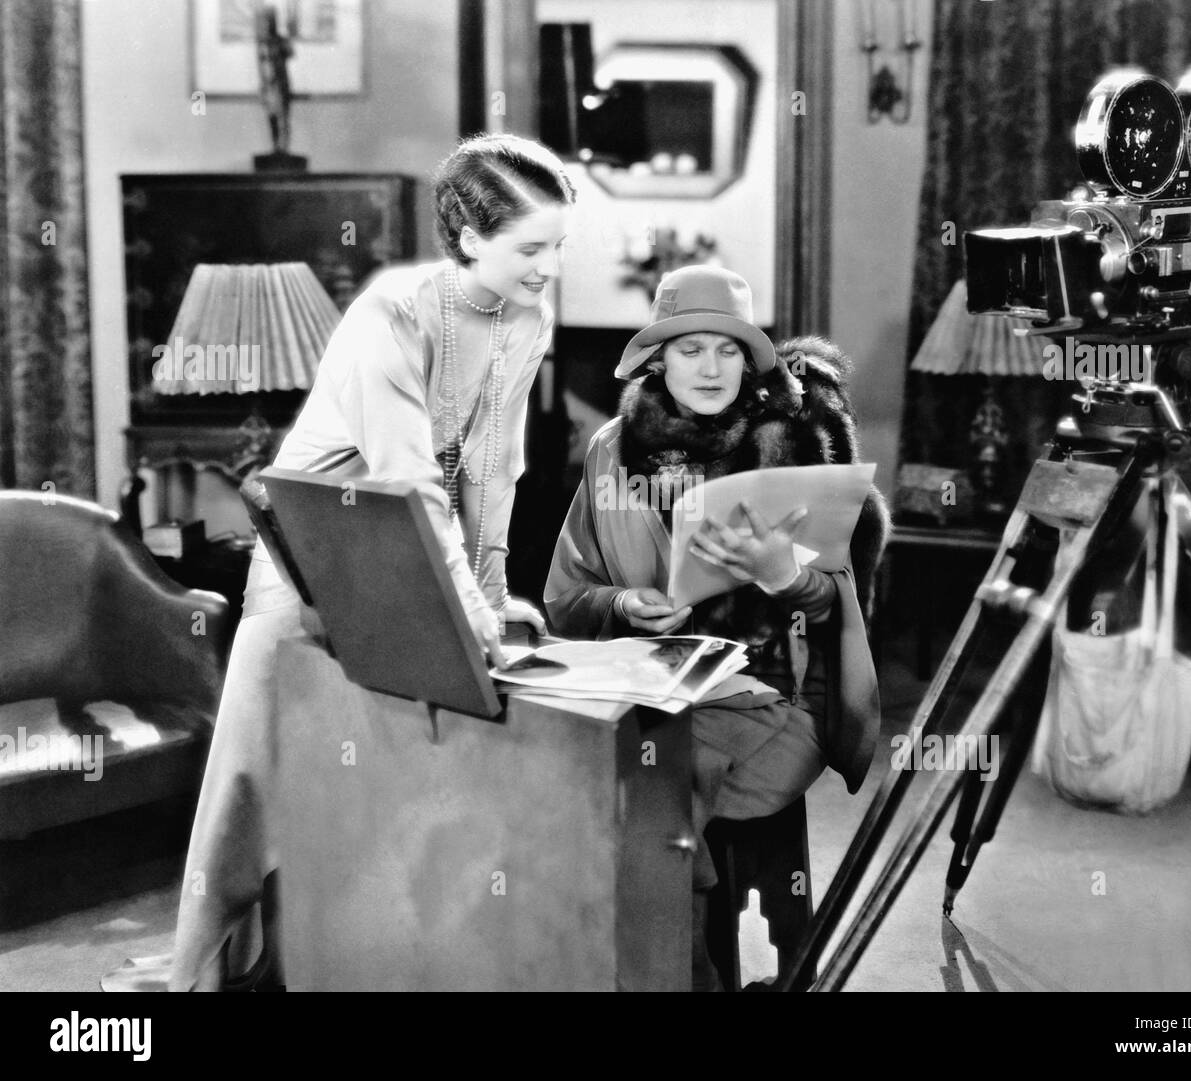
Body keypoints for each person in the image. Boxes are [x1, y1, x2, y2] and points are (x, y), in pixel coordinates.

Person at [169, 133, 576, 991]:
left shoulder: (526, 319)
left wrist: (493, 594)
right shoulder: (388, 313)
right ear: (467, 236)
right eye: (531, 247)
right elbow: (411, 479)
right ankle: (197, 981)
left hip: (405, 561)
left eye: (558, 246)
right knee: (251, 783)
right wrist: (469, 611)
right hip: (313, 551)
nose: (549, 267)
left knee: (388, 782)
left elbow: (494, 465)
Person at [544, 264, 890, 990]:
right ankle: (668, 961)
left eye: (728, 348)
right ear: (656, 359)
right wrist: (621, 606)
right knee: (571, 763)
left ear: (749, 357)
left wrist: (781, 571)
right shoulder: (614, 449)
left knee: (653, 784)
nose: (710, 367)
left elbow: (834, 603)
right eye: (689, 348)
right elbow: (568, 595)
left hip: (776, 698)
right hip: (647, 684)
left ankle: (675, 973)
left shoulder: (789, 443)